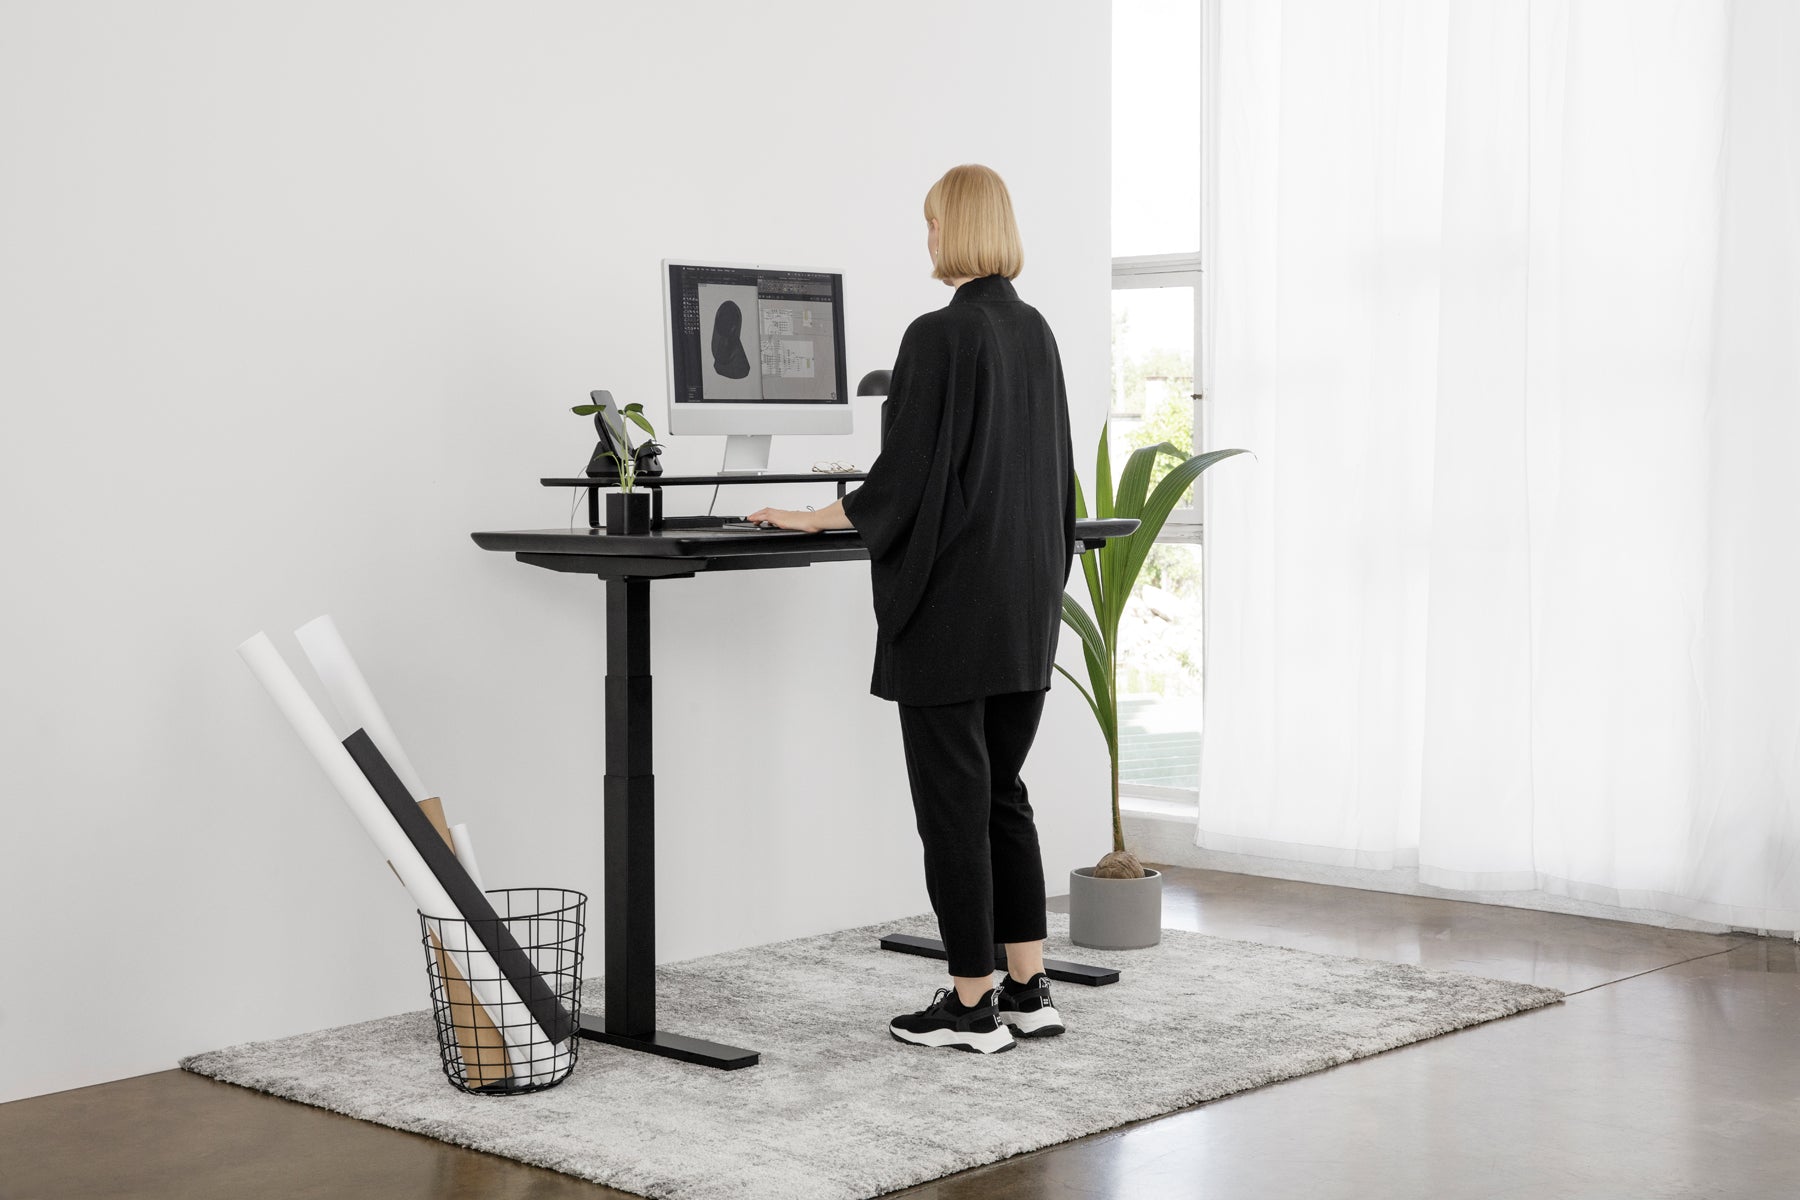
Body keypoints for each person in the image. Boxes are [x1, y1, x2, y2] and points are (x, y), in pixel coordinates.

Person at [745, 164, 1076, 1054]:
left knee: (952, 806)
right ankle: (1028, 985)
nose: (925, 238)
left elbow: (904, 480)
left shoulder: (939, 334)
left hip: (954, 611)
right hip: (1023, 607)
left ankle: (970, 1007)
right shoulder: (1035, 331)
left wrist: (815, 511)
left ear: (955, 229)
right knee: (1004, 794)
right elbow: (1049, 477)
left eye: (931, 223)